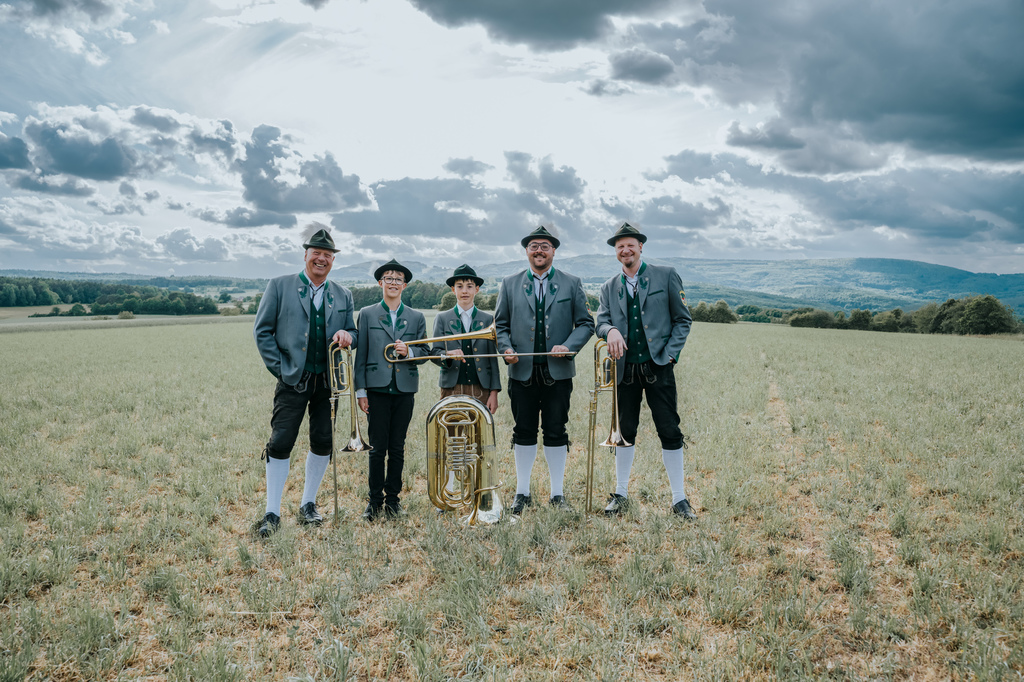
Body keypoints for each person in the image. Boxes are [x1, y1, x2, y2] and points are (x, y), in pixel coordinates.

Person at [253, 227, 357, 537]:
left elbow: (353, 331)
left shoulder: (344, 294)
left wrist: (348, 335)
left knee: (323, 441)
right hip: (292, 380)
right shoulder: (279, 285)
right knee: (281, 441)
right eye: (317, 253)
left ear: (333, 260)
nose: (322, 259)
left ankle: (308, 504)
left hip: (328, 382)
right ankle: (272, 512)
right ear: (306, 256)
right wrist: (282, 369)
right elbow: (262, 331)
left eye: (328, 255)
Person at [594, 222, 696, 519]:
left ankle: (679, 499)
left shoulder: (666, 274)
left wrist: (670, 356)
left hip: (658, 367)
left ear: (640, 247)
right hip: (623, 369)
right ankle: (621, 494)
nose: (625, 250)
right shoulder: (608, 287)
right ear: (616, 251)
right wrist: (610, 330)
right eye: (620, 246)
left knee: (669, 429)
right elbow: (601, 322)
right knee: (624, 432)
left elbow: (683, 320)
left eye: (630, 245)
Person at [494, 225, 594, 514]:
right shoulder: (509, 283)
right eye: (534, 246)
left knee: (556, 430)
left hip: (558, 373)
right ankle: (522, 493)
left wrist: (568, 346)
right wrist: (506, 350)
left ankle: (557, 494)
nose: (539, 250)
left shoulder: (572, 283)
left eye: (545, 246)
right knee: (523, 430)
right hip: (521, 372)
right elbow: (500, 326)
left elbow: (586, 323)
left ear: (554, 251)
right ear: (527, 251)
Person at [353, 259, 428, 521]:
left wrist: (410, 352)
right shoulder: (367, 313)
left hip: (404, 390)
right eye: (388, 278)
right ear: (380, 283)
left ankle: (393, 501)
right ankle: (374, 502)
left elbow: (425, 352)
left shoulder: (417, 317)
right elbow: (361, 355)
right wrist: (361, 391)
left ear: (404, 285)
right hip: (376, 389)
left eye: (398, 279)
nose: (393, 282)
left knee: (397, 447)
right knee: (376, 449)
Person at [430, 264, 501, 414]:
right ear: (453, 289)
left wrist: (494, 392)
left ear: (477, 289)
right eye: (459, 286)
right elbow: (435, 353)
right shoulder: (442, 318)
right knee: (450, 426)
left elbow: (492, 359)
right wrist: (447, 355)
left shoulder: (488, 319)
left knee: (479, 428)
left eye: (469, 286)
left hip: (481, 388)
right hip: (451, 388)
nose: (464, 291)